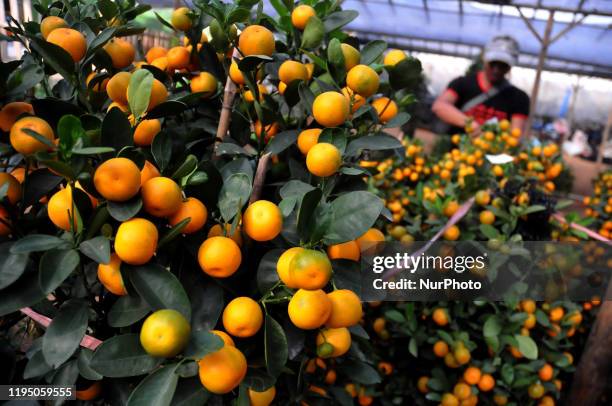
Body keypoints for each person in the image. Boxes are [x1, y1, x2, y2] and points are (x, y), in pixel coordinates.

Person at [432, 36, 530, 136]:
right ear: (485, 59)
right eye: (493, 63)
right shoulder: (462, 84)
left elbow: (515, 135)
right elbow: (439, 106)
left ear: (510, 66)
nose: (496, 70)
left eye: (502, 65)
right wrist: (471, 124)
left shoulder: (519, 98)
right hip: (456, 150)